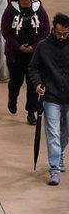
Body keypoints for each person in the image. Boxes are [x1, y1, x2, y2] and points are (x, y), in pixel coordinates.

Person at [28, 13, 69, 186]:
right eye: (59, 33)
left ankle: (60, 154)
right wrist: (38, 84)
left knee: (66, 131)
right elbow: (33, 68)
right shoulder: (43, 46)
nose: (62, 37)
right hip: (51, 96)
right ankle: (54, 169)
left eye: (66, 34)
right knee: (52, 132)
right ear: (53, 29)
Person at [2, 0, 49, 124]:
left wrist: (34, 47)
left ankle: (31, 112)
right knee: (16, 81)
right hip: (15, 54)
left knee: (33, 83)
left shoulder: (38, 9)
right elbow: (5, 31)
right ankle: (12, 98)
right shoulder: (11, 9)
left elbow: (45, 31)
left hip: (34, 55)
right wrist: (18, 46)